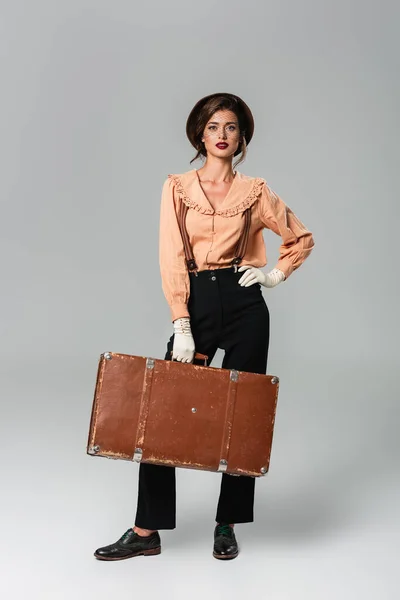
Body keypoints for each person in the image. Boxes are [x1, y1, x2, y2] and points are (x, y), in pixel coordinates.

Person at [94, 92, 315, 561]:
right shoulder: (177, 187)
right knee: (163, 409)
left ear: (242, 138)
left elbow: (299, 236)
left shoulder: (255, 191)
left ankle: (227, 524)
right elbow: (171, 255)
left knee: (245, 412)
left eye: (231, 127)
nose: (222, 135)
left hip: (244, 304)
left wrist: (273, 275)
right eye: (213, 126)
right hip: (196, 303)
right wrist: (181, 320)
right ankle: (146, 530)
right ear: (199, 133)